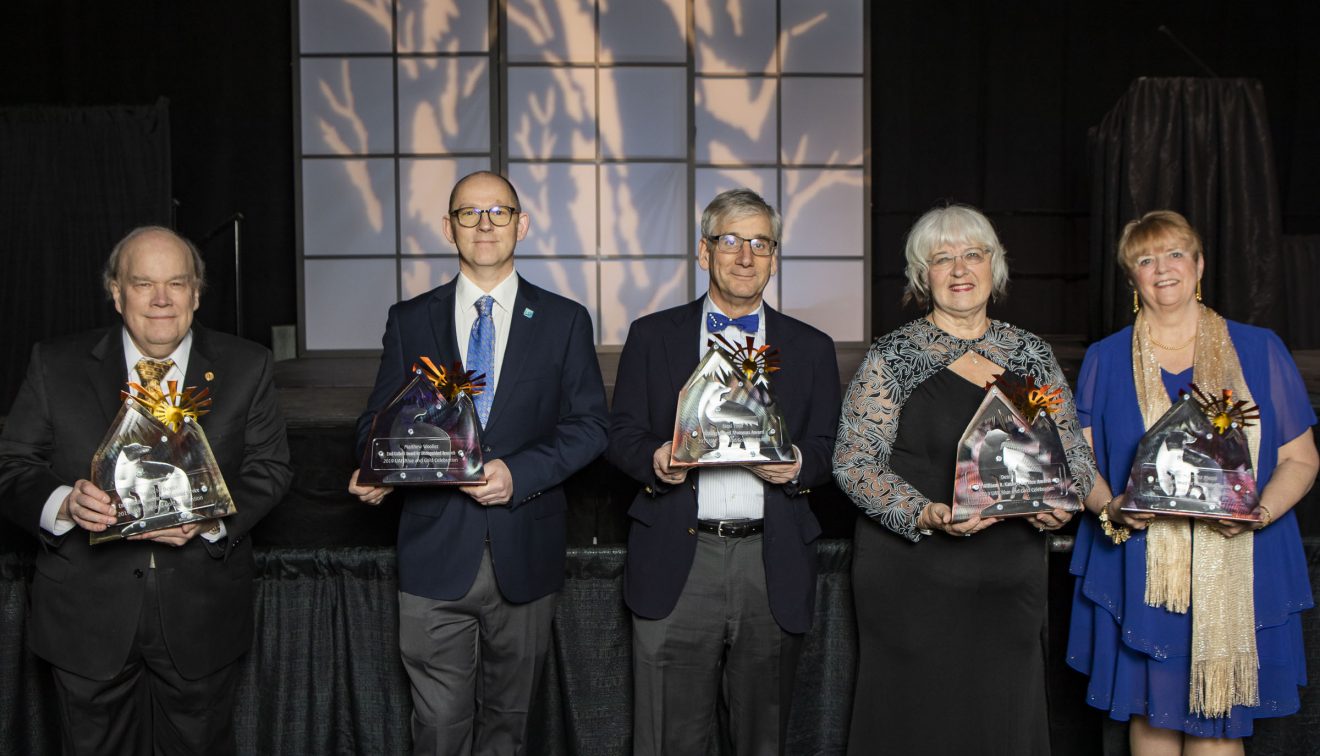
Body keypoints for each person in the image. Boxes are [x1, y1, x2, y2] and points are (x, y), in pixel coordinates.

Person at [0, 226, 293, 754]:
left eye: (176, 283)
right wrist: (63, 503)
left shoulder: (247, 365)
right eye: (143, 284)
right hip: (86, 618)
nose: (161, 299)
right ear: (117, 293)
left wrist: (211, 519)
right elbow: (13, 465)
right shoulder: (55, 363)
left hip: (202, 616)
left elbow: (269, 469)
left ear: (196, 294)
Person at [347, 170, 608, 756]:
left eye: (499, 212)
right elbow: (376, 423)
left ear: (522, 224)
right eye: (469, 213)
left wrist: (520, 474)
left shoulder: (565, 320)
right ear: (449, 227)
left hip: (526, 548)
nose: (485, 224)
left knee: (508, 728)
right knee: (437, 727)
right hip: (434, 551)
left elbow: (591, 427)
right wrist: (379, 465)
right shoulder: (410, 319)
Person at [832, 204, 1097, 756]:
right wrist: (924, 513)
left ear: (994, 266)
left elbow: (1070, 457)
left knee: (1004, 721)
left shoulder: (1029, 355)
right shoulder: (894, 357)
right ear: (921, 275)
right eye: (942, 258)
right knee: (917, 726)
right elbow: (854, 462)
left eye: (973, 254)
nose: (959, 269)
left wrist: (1061, 505)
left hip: (1009, 578)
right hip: (913, 577)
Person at [1066, 210, 1318, 754]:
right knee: (1152, 719)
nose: (1163, 269)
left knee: (1218, 723)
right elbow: (1079, 465)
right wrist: (1112, 507)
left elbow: (1300, 460)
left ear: (1199, 266)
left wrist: (1260, 513)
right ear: (1131, 277)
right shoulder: (1105, 359)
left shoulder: (1260, 349)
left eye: (1175, 254)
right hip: (1143, 566)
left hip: (1241, 560)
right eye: (1145, 259)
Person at [608, 188, 840, 755]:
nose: (745, 256)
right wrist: (656, 459)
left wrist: (799, 465)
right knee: (668, 738)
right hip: (678, 556)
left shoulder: (812, 347)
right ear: (703, 251)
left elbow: (831, 445)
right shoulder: (652, 335)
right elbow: (620, 435)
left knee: (763, 738)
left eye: (760, 243)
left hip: (771, 559)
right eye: (730, 240)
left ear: (774, 257)